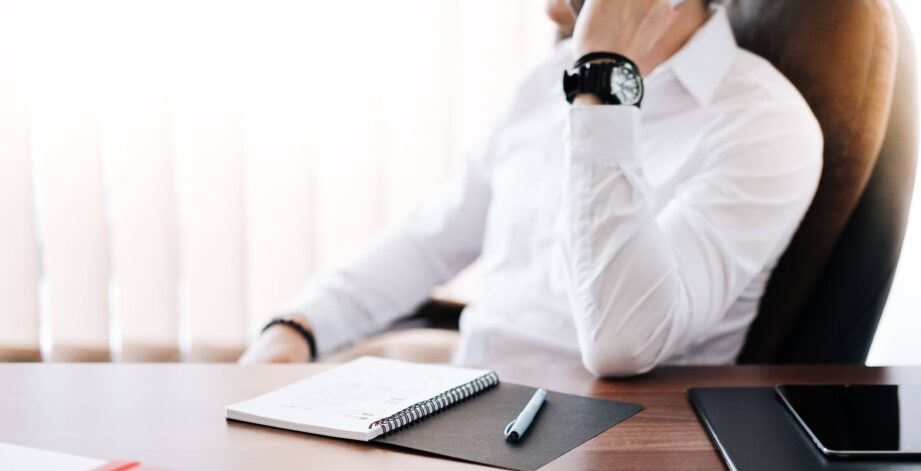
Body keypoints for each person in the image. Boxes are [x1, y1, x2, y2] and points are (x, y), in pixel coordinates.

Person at [240, 0, 823, 376]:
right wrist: (300, 326)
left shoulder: (764, 122)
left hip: (620, 457)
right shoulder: (545, 83)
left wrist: (602, 81)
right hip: (469, 417)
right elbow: (429, 238)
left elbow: (621, 342)